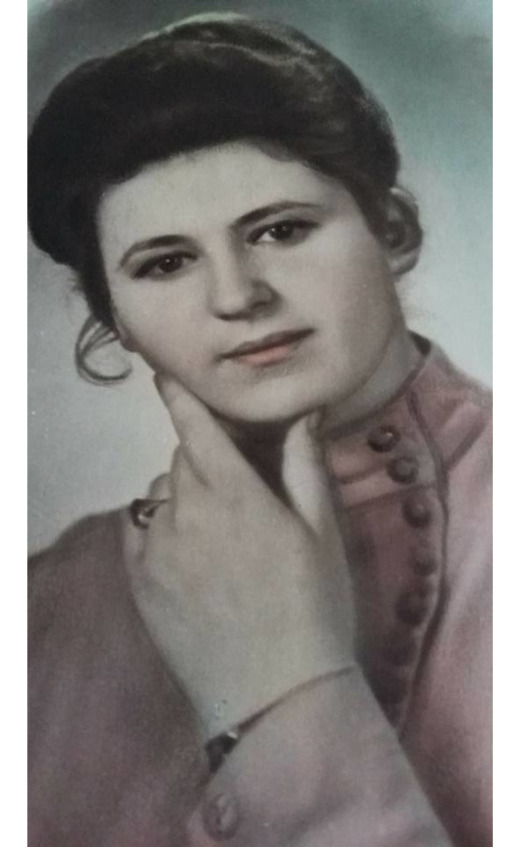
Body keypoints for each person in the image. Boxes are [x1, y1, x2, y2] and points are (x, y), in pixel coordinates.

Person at [27, 12, 491, 847]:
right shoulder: (48, 606)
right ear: (116, 320)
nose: (238, 296)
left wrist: (284, 693)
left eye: (280, 230)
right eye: (166, 262)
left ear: (390, 231)